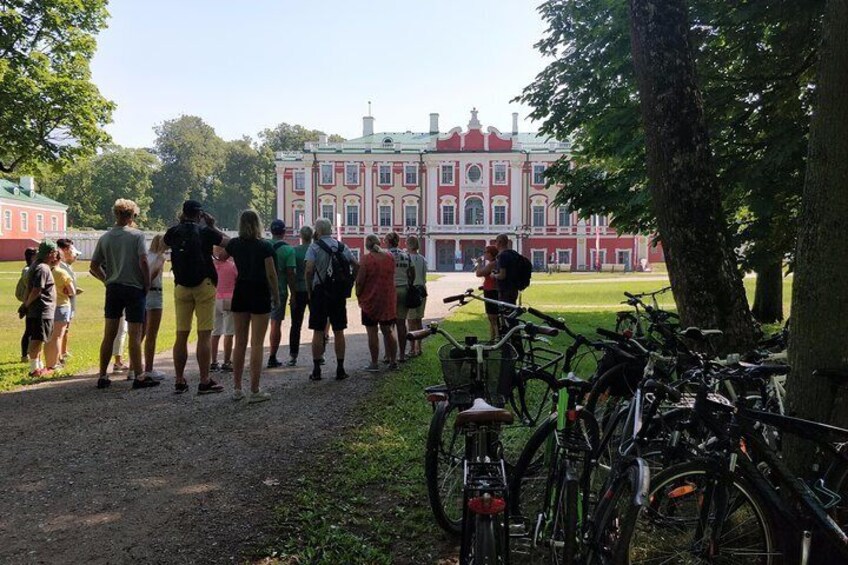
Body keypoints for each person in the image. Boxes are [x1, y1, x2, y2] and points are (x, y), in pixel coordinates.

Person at [163, 200, 229, 395]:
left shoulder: (173, 231)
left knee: (181, 334)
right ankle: (204, 379)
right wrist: (212, 225)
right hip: (204, 284)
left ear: (183, 213)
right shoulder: (206, 231)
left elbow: (162, 244)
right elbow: (228, 242)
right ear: (200, 214)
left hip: (181, 285)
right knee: (204, 334)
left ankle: (179, 379)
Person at [90, 199, 156, 389]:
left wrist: (106, 280)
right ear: (132, 216)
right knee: (135, 334)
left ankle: (103, 375)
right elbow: (143, 261)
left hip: (114, 288)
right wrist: (147, 283)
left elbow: (94, 266)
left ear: (116, 214)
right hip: (134, 288)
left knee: (109, 333)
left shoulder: (105, 238)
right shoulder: (137, 236)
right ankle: (139, 376)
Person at [224, 210, 279, 403]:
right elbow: (271, 274)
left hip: (241, 291)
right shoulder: (264, 246)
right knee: (257, 343)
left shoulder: (235, 244)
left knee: (240, 342)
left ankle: (237, 387)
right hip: (259, 292)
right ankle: (254, 389)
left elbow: (221, 255)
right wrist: (277, 295)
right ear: (258, 225)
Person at [305, 217, 358, 381]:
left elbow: (308, 270)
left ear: (318, 231)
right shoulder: (342, 247)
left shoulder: (314, 247)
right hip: (338, 292)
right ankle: (340, 369)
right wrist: (350, 283)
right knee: (339, 330)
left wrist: (309, 289)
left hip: (320, 291)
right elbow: (356, 265)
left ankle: (316, 370)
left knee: (318, 330)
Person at [356, 234, 397, 372]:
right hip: (387, 299)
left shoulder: (366, 259)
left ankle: (374, 363)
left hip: (370, 300)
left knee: (372, 332)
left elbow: (360, 281)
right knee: (388, 331)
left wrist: (358, 294)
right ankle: (393, 361)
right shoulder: (390, 257)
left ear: (367, 245)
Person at [18, 241, 58, 377]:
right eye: (54, 252)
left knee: (39, 338)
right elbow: (36, 290)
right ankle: (34, 369)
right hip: (41, 310)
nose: (56, 255)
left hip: (38, 310)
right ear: (50, 253)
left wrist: (25, 305)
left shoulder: (37, 265)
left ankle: (38, 366)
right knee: (37, 339)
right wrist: (26, 305)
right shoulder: (42, 268)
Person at [267, 219, 296, 368]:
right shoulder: (288, 250)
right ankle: (272, 356)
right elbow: (291, 274)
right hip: (280, 290)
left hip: (262, 289)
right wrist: (294, 293)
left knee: (258, 323)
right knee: (275, 323)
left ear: (271, 231)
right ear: (284, 232)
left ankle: (256, 352)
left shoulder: (264, 245)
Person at [385, 231, 415, 363]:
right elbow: (412, 273)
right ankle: (402, 355)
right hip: (404, 289)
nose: (384, 242)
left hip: (390, 291)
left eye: (385, 240)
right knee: (401, 324)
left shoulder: (386, 255)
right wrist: (408, 283)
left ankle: (389, 356)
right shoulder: (406, 255)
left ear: (388, 242)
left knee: (388, 325)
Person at [141, 235, 168, 380]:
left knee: (140, 332)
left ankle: (134, 367)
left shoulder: (145, 255)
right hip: (155, 293)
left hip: (143, 295)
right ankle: (149, 368)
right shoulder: (160, 257)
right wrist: (148, 283)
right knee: (152, 333)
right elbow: (155, 271)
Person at [286, 225, 313, 367]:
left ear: (301, 236)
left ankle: (293, 355)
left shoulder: (294, 251)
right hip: (313, 290)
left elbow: (291, 272)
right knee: (317, 323)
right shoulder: (315, 250)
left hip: (298, 290)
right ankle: (319, 354)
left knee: (295, 325)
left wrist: (293, 294)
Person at [45, 254, 75, 369]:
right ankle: (55, 363)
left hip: (49, 306)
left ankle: (49, 362)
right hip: (62, 305)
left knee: (49, 337)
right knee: (57, 337)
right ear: (59, 259)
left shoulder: (47, 271)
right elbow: (72, 291)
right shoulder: (62, 273)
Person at [211, 246, 237, 372]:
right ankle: (227, 361)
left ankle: (213, 361)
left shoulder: (211, 266)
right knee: (229, 331)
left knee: (215, 331)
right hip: (228, 298)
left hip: (214, 298)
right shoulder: (231, 266)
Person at [56, 238, 82, 363]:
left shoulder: (66, 266)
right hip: (62, 302)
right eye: (71, 250)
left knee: (65, 328)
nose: (74, 254)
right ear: (65, 250)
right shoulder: (60, 266)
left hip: (68, 302)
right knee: (60, 330)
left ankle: (63, 352)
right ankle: (59, 355)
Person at [405, 235, 427, 357]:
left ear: (409, 245)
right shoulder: (422, 259)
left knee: (411, 321)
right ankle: (419, 347)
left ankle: (412, 349)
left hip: (412, 291)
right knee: (419, 320)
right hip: (422, 290)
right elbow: (424, 276)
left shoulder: (408, 258)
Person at [16, 247, 37, 363]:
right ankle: (25, 355)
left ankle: (29, 353)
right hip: (30, 304)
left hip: (31, 303)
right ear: (32, 257)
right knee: (29, 330)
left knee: (31, 330)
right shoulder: (28, 270)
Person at [475, 245, 500, 340]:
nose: (484, 254)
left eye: (486, 252)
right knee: (493, 317)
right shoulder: (495, 263)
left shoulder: (491, 264)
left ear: (490, 254)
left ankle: (497, 337)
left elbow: (478, 273)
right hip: (490, 289)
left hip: (490, 291)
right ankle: (492, 338)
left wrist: (479, 263)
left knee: (492, 317)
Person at [492, 234, 520, 305]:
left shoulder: (502, 256)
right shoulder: (514, 254)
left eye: (496, 241)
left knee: (505, 312)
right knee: (512, 311)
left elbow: (502, 275)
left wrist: (494, 275)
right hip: (514, 288)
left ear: (500, 242)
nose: (495, 244)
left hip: (505, 289)